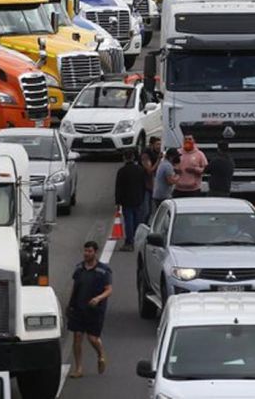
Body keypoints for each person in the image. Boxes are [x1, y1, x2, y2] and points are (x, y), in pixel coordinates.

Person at [67, 241, 113, 378]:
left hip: (95, 310)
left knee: (92, 338)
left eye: (89, 251)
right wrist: (69, 304)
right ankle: (79, 368)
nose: (86, 254)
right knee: (77, 337)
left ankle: (100, 355)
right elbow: (74, 287)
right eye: (85, 251)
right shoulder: (79, 268)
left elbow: (109, 290)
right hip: (78, 308)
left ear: (95, 252)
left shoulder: (104, 271)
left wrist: (98, 298)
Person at [115, 149, 146, 252]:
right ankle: (138, 241)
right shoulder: (140, 169)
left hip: (126, 200)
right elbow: (143, 184)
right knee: (138, 220)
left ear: (124, 158)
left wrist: (118, 202)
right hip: (138, 198)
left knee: (129, 221)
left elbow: (118, 187)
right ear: (133, 157)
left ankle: (129, 242)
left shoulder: (122, 171)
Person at [140, 136, 162, 221]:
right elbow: (150, 171)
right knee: (146, 211)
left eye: (160, 144)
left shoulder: (157, 153)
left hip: (154, 186)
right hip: (145, 186)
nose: (159, 146)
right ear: (151, 145)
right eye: (157, 144)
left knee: (153, 211)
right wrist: (159, 160)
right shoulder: (146, 155)